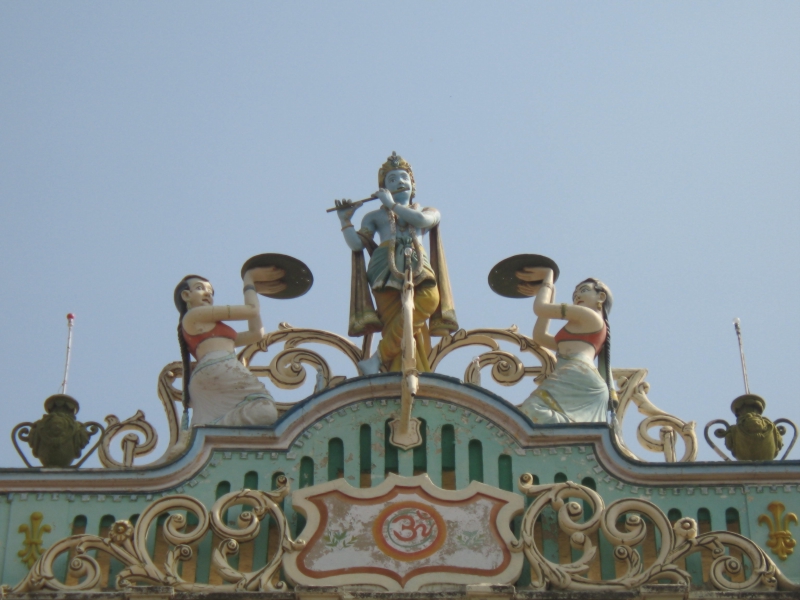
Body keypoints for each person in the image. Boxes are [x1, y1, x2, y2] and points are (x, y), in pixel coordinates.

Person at [335, 152, 457, 374]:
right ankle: (397, 371)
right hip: (384, 270)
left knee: (429, 300)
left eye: (404, 177)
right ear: (384, 188)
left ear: (413, 183)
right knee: (396, 320)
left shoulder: (427, 211)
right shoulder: (374, 217)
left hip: (419, 267)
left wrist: (392, 205)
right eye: (392, 180)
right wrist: (345, 221)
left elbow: (421, 222)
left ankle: (377, 359)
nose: (400, 182)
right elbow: (356, 245)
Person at [174, 272, 278, 427]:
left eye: (210, 291)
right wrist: (249, 281)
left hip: (216, 368)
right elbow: (251, 309)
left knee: (263, 411)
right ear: (186, 295)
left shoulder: (210, 329)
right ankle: (211, 429)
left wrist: (253, 290)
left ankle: (210, 429)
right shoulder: (194, 316)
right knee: (264, 410)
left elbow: (256, 334)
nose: (207, 294)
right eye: (200, 288)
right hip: (218, 366)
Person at [519, 269, 615, 424]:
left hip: (577, 374)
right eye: (574, 294)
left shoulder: (590, 317)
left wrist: (547, 280)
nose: (577, 296)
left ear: (601, 297)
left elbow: (540, 308)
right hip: (575, 373)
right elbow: (540, 336)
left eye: (584, 291)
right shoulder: (583, 325)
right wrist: (549, 292)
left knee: (531, 411)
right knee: (530, 414)